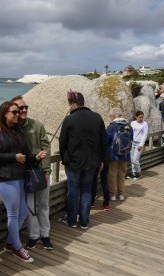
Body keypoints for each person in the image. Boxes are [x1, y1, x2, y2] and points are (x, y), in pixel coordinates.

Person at [0, 101, 47, 263]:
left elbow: (26, 155)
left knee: (24, 212)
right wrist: (13, 157)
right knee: (13, 214)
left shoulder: (18, 131)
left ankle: (10, 243)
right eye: (14, 112)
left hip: (21, 177)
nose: (18, 115)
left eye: (19, 112)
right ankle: (17, 247)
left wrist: (36, 157)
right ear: (5, 113)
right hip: (5, 179)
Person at [11, 95, 53, 251]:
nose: (23, 110)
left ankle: (46, 235)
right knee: (30, 206)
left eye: (25, 107)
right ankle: (34, 236)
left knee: (43, 205)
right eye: (19, 108)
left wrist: (47, 170)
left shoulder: (37, 125)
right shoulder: (11, 128)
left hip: (40, 172)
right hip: (24, 175)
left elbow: (46, 148)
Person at [59, 91, 105, 230]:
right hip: (91, 163)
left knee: (73, 191)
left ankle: (72, 221)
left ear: (73, 104)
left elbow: (62, 142)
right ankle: (84, 221)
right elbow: (103, 142)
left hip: (73, 163)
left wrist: (64, 159)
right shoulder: (97, 118)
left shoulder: (69, 119)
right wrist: (101, 161)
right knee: (86, 191)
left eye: (69, 104)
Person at [107, 107, 133, 201]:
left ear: (114, 115)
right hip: (125, 155)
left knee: (112, 175)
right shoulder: (128, 126)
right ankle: (121, 194)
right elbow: (131, 139)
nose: (111, 118)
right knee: (122, 175)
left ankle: (113, 195)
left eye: (111, 116)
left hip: (114, 155)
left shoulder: (111, 126)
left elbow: (107, 140)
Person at [127, 111, 148, 179]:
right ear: (136, 117)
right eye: (140, 117)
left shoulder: (144, 124)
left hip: (139, 144)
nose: (141, 118)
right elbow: (130, 132)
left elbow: (145, 135)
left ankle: (138, 172)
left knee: (135, 160)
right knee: (131, 158)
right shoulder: (132, 123)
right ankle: (133, 173)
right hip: (132, 143)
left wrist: (141, 145)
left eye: (142, 117)